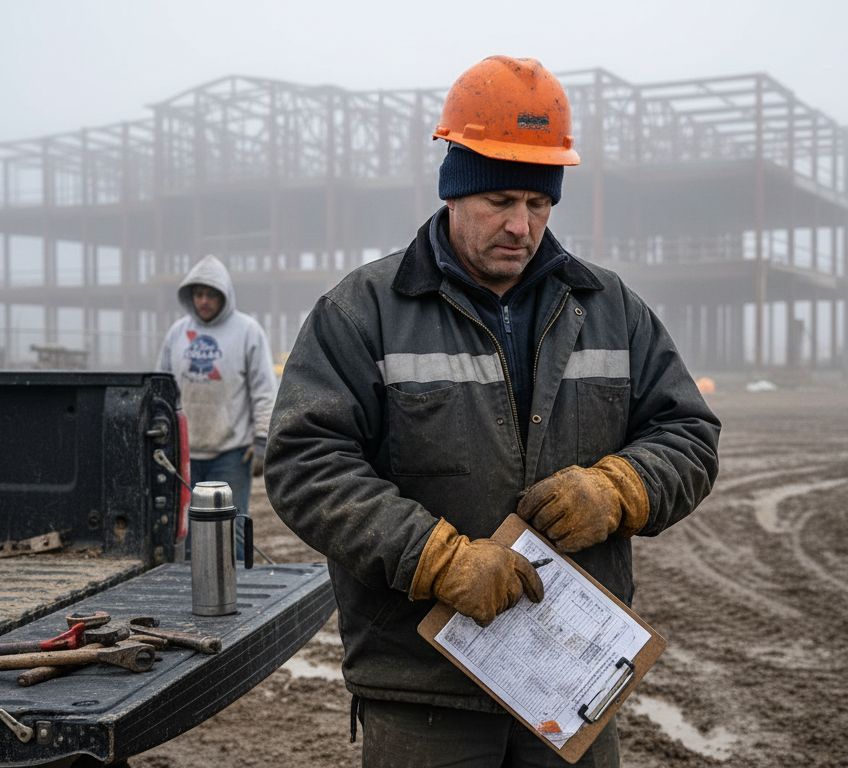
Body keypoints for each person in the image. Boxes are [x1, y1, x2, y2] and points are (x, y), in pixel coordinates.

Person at [266, 56, 720, 767]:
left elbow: (688, 433)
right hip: (424, 690)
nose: (521, 225)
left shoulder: (611, 309)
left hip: (571, 677)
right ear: (453, 191)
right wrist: (435, 558)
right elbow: (305, 463)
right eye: (500, 200)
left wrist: (620, 488)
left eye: (539, 203)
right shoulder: (363, 312)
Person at [158, 254, 277, 556]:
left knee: (232, 528)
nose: (204, 301)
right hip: (184, 452)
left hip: (232, 452)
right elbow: (161, 390)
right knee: (187, 530)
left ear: (224, 296)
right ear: (190, 296)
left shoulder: (247, 331)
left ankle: (239, 582)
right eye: (199, 294)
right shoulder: (177, 334)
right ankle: (192, 582)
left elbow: (264, 391)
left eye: (211, 295)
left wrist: (262, 440)